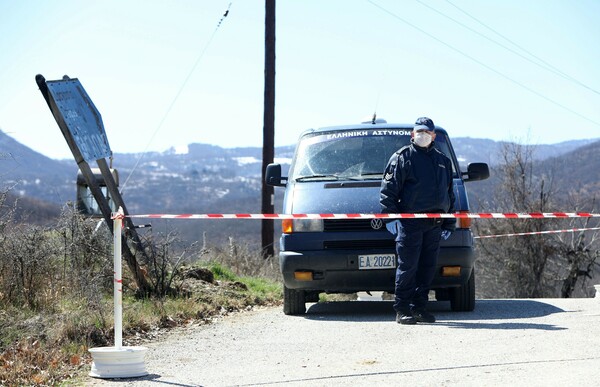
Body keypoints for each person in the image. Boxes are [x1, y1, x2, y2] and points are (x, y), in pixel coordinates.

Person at [380, 117, 455, 325]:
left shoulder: (443, 161)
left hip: (435, 224)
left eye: (426, 132)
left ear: (433, 135)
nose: (423, 135)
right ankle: (402, 308)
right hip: (410, 223)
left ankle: (419, 307)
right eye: (419, 131)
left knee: (427, 267)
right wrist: (391, 217)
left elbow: (449, 194)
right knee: (408, 267)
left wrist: (449, 222)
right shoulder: (403, 158)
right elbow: (388, 192)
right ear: (413, 135)